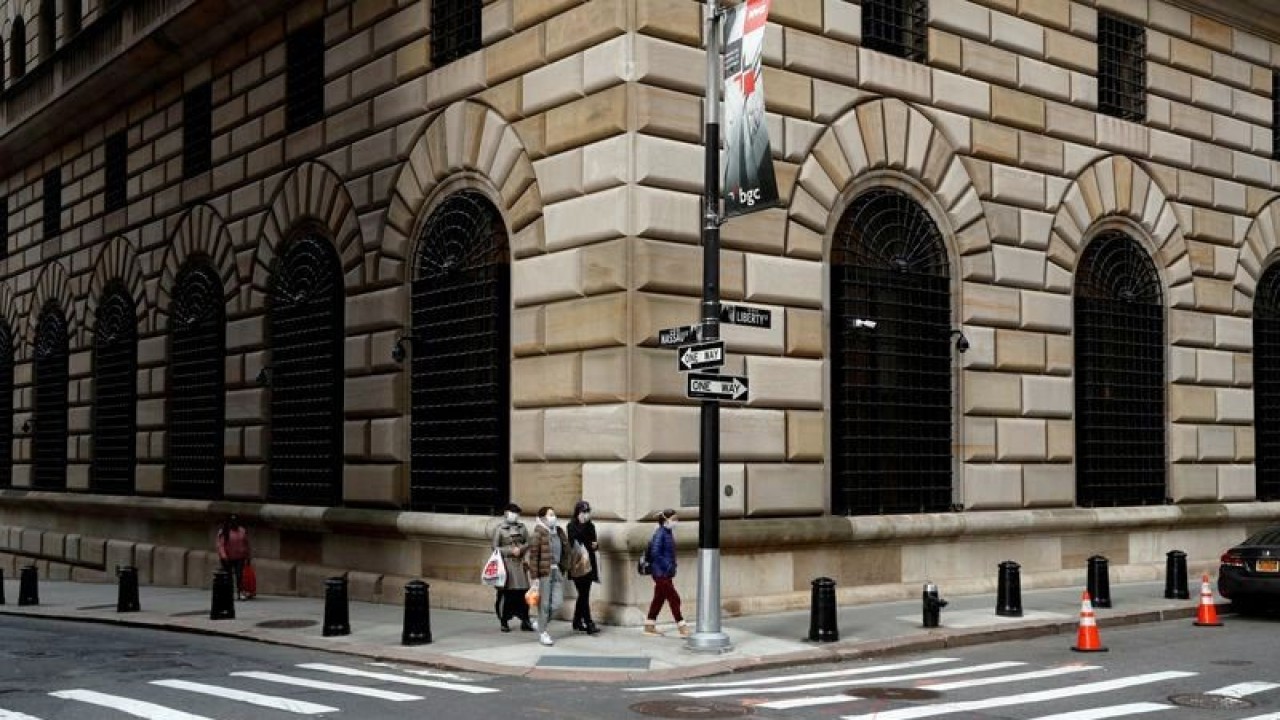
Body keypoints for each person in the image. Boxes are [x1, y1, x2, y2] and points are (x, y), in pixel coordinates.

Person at [524, 505, 569, 647]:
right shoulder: (539, 533)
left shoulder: (559, 532)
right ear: (542, 517)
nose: (553, 517)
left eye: (554, 514)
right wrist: (535, 577)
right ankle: (543, 633)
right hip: (544, 573)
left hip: (557, 571)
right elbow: (533, 557)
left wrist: (564, 567)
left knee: (557, 603)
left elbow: (566, 550)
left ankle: (540, 622)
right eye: (550, 514)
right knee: (544, 605)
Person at [491, 503, 535, 632]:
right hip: (506, 565)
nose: (515, 515)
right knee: (506, 594)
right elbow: (495, 547)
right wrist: (510, 551)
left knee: (523, 593)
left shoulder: (522, 527)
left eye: (517, 513)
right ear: (506, 513)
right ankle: (504, 620)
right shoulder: (499, 529)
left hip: (520, 564)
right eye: (513, 512)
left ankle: (525, 620)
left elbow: (528, 542)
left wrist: (520, 549)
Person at [644, 508, 689, 637]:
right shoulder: (660, 533)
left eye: (676, 519)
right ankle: (681, 625)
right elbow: (655, 553)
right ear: (666, 520)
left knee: (659, 598)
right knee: (674, 598)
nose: (676, 522)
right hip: (660, 573)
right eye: (674, 519)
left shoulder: (667, 532)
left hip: (664, 573)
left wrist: (671, 566)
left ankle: (649, 625)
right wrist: (668, 565)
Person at [566, 500, 600, 635]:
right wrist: (582, 525)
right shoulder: (571, 526)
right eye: (583, 512)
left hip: (589, 564)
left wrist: (596, 545)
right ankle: (588, 622)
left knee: (583, 595)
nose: (586, 515)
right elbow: (575, 540)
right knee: (583, 594)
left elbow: (594, 542)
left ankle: (577, 620)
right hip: (577, 564)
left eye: (587, 512)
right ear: (577, 513)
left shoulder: (591, 526)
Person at [215, 515, 251, 600]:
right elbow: (220, 545)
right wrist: (224, 556)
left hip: (240, 557)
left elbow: (246, 544)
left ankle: (240, 591)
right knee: (228, 576)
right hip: (227, 558)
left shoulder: (242, 531)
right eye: (232, 522)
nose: (234, 524)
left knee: (239, 575)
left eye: (236, 522)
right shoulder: (224, 531)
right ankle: (228, 593)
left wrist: (248, 556)